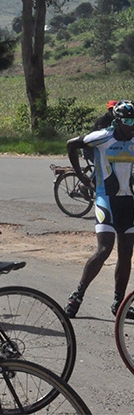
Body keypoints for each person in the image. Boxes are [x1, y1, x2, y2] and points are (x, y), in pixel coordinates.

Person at [64, 100, 134, 319]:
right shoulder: (103, 136)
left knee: (126, 254)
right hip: (107, 201)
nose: (132, 125)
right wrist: (83, 178)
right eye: (128, 121)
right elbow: (71, 144)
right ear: (118, 120)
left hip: (129, 202)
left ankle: (119, 304)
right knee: (104, 250)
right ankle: (77, 296)